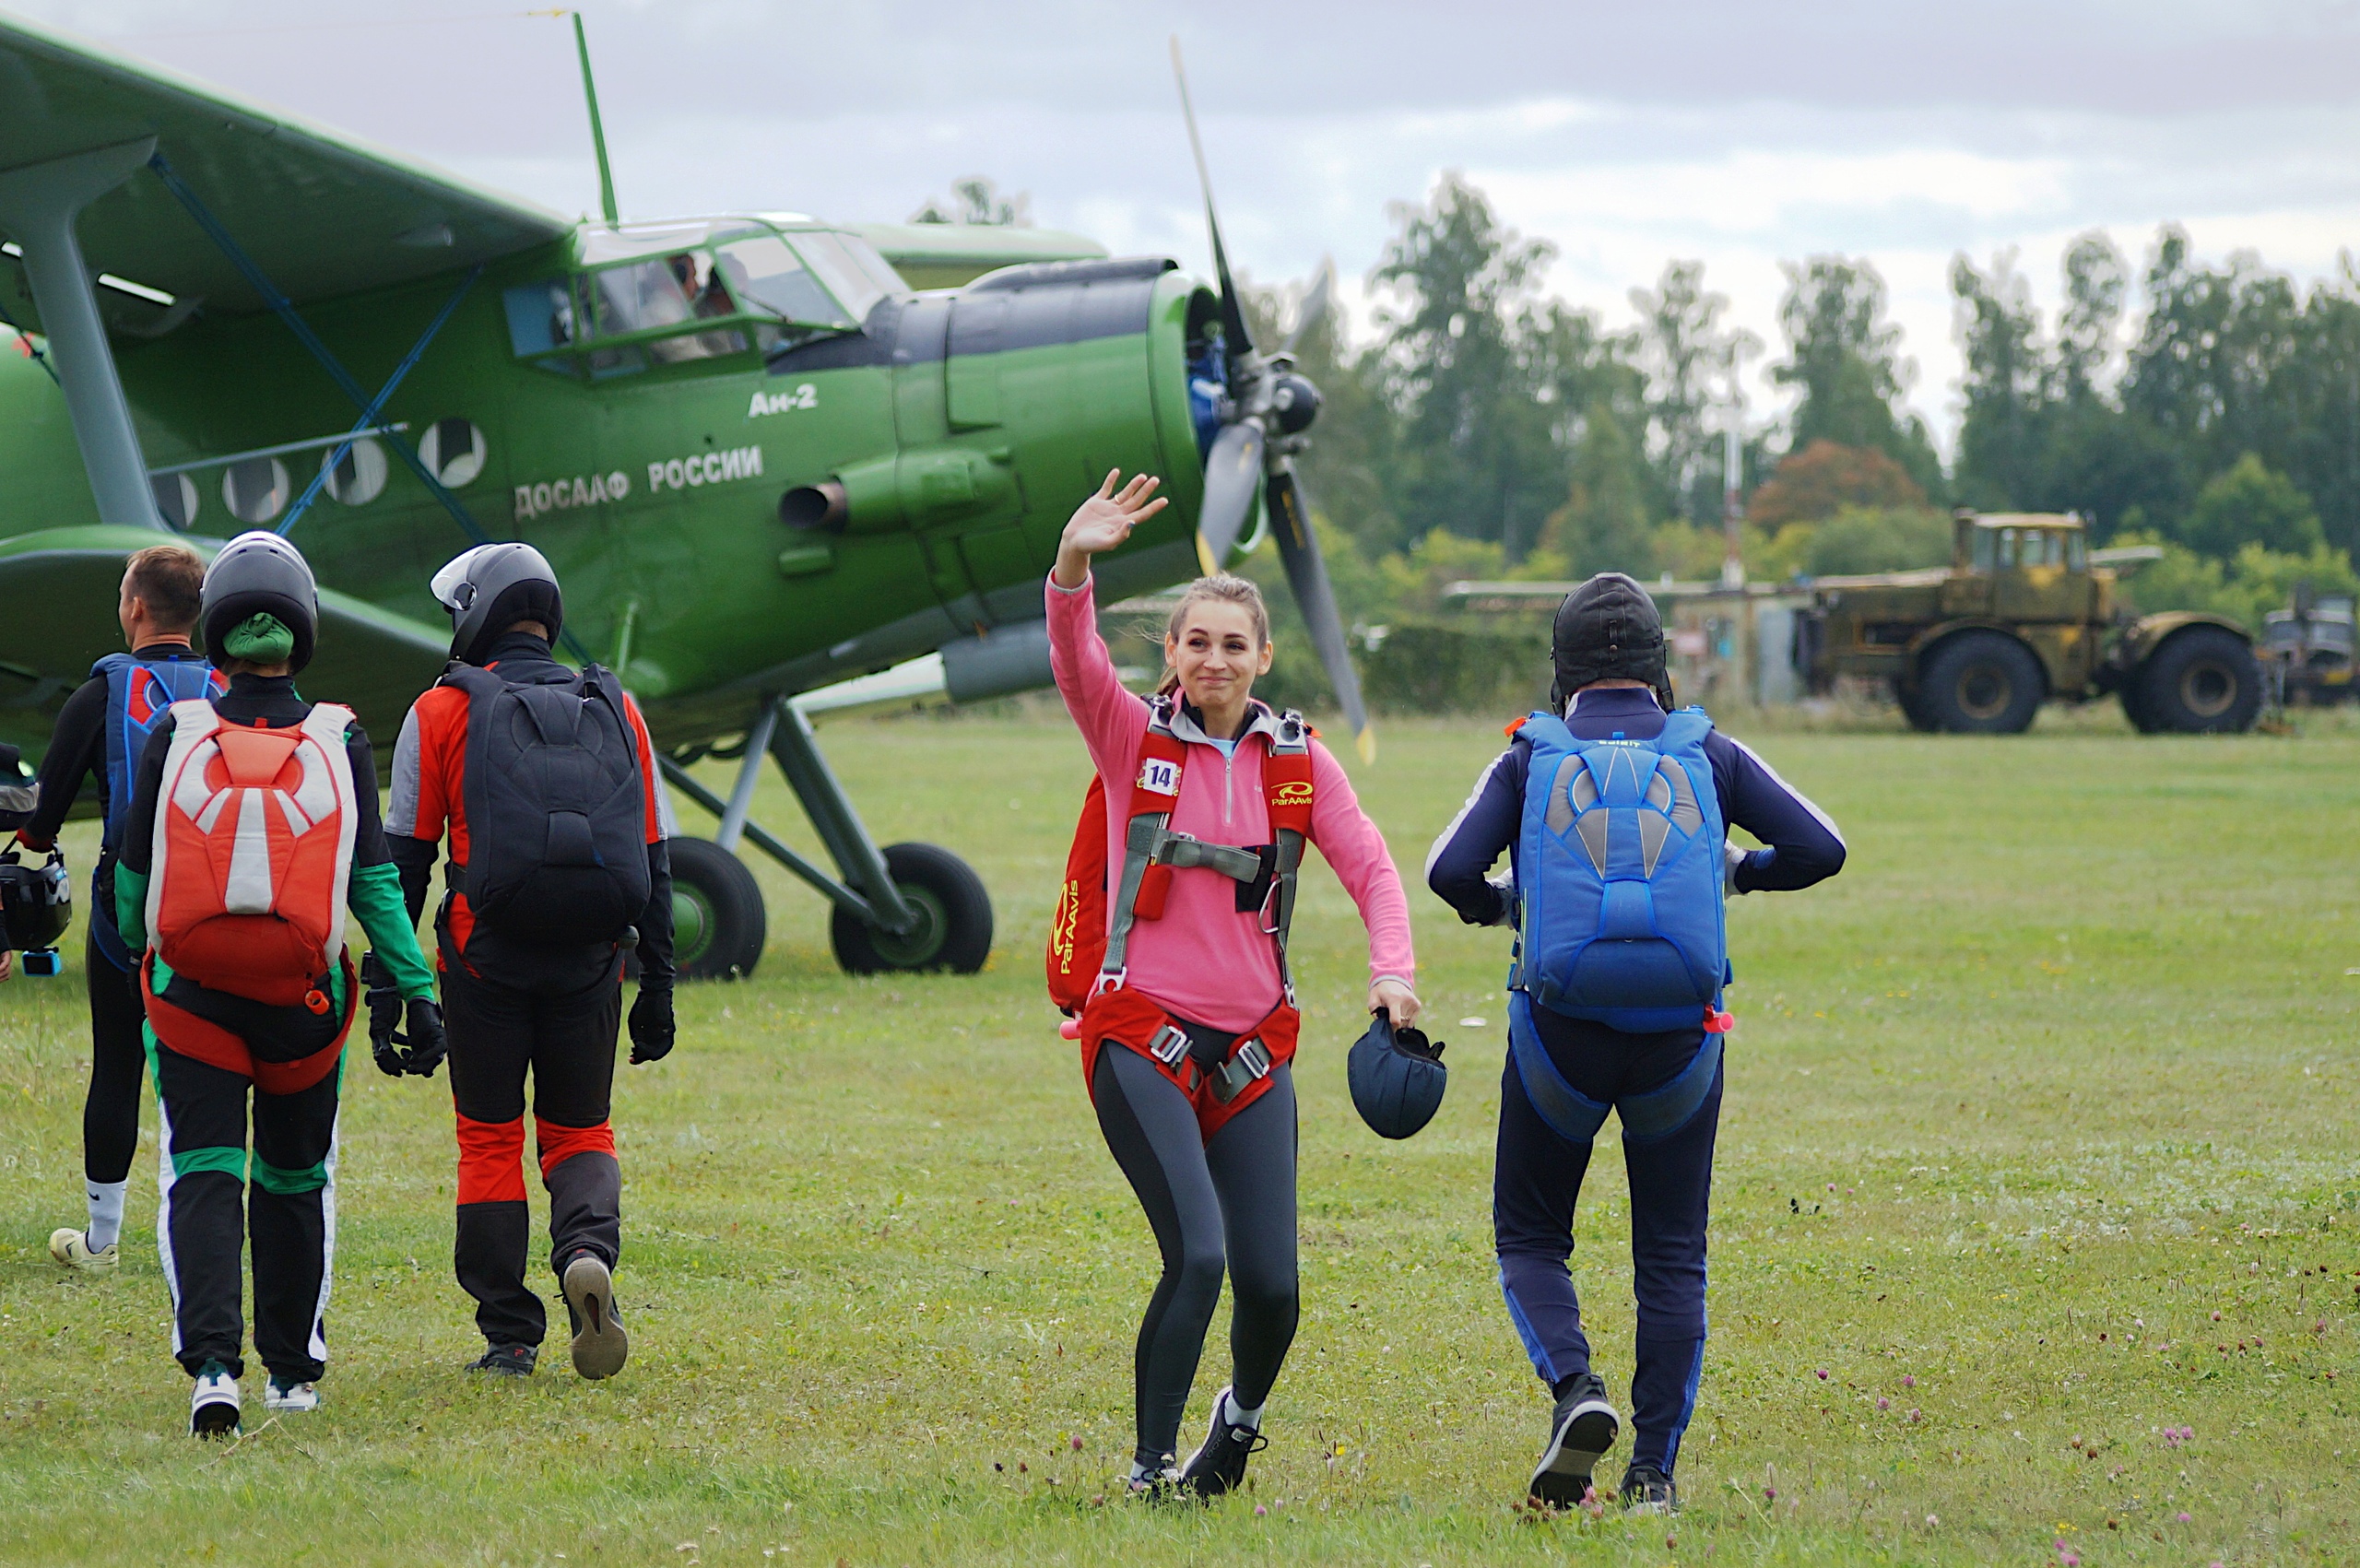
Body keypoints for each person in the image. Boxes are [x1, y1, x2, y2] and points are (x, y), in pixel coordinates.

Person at [1426, 572, 1846, 1513]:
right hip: (1681, 1044)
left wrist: (1503, 908)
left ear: (1560, 669)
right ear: (1657, 666)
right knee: (1670, 1254)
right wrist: (1740, 877)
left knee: (1531, 1235)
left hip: (1557, 1037)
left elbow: (1449, 870)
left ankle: (1577, 1390)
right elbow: (1822, 848)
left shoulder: (1530, 757)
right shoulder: (1710, 752)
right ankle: (1652, 1474)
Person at [1047, 471, 1419, 1499]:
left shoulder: (1299, 764)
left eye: (1233, 644)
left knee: (1272, 1285)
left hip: (1255, 1049)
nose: (1214, 659)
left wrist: (1395, 975)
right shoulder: (1132, 740)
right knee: (1199, 1257)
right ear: (1169, 655)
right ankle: (1148, 1469)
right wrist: (1074, 564)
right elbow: (1076, 665)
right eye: (1195, 642)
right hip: (1140, 1038)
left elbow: (1372, 868)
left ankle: (1238, 1426)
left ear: (1262, 658)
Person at [112, 532, 442, 1435]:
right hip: (305, 1006)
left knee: (205, 1171)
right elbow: (375, 883)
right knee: (296, 1179)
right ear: (304, 630)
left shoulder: (175, 733)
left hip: (190, 1002)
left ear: (215, 634)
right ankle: (292, 1376)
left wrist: (140, 952)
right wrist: (416, 990)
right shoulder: (339, 736)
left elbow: (133, 880)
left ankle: (213, 1368)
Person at [385, 543, 676, 1382]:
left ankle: (511, 1334)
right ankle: (586, 1248)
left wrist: (396, 993)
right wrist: (656, 987)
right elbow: (653, 859)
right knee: (580, 1129)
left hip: (484, 961)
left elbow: (403, 865)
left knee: (488, 1136)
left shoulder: (440, 710)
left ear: (477, 611)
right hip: (592, 959)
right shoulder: (615, 706)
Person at [13, 544, 223, 1272]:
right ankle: (218, 1227)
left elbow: (42, 824)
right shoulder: (232, 686)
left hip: (127, 909)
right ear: (197, 613)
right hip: (226, 902)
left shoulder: (101, 691)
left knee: (117, 1061)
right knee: (217, 1065)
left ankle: (102, 1239)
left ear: (135, 607)